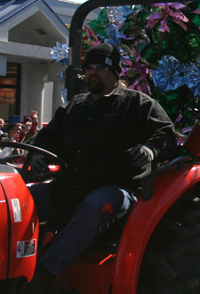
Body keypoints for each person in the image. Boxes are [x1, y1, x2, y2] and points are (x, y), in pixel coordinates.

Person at [27, 43, 176, 293]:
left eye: (100, 67)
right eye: (88, 68)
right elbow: (46, 139)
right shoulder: (73, 107)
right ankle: (2, 267)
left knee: (97, 205)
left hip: (116, 189)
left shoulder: (137, 104)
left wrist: (150, 150)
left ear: (115, 72)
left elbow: (166, 136)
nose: (92, 73)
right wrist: (37, 155)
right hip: (70, 187)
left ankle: (44, 273)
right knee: (20, 199)